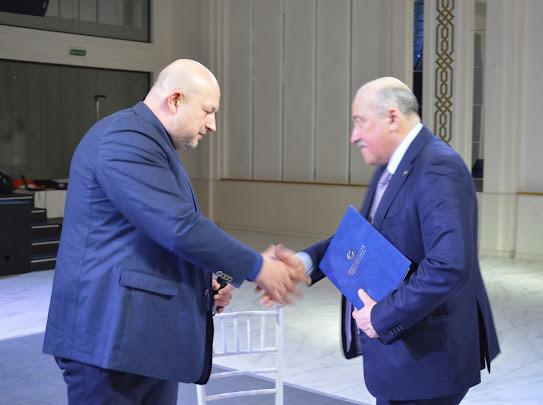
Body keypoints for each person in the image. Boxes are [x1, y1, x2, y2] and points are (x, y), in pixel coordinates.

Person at [42, 59, 305, 405]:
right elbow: (177, 227)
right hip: (108, 343)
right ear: (176, 100)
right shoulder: (124, 138)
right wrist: (258, 267)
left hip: (141, 344)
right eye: (208, 111)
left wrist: (213, 279)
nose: (212, 125)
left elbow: (152, 238)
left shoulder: (150, 142)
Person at [272, 77, 500, 404]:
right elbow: (364, 238)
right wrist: (305, 263)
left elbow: (448, 266)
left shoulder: (438, 166)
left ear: (392, 117)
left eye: (360, 122)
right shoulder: (391, 166)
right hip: (405, 362)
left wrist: (381, 316)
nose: (354, 136)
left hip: (429, 363)